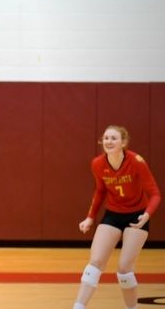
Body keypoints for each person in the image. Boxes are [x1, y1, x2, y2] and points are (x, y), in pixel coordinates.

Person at [73, 125, 161, 309]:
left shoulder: (136, 161)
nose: (109, 142)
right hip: (113, 214)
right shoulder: (97, 163)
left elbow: (155, 194)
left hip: (137, 216)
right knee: (95, 263)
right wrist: (90, 217)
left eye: (113, 138)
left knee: (124, 270)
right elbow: (100, 191)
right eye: (106, 138)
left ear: (123, 142)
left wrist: (147, 214)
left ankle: (132, 308)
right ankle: (78, 307)